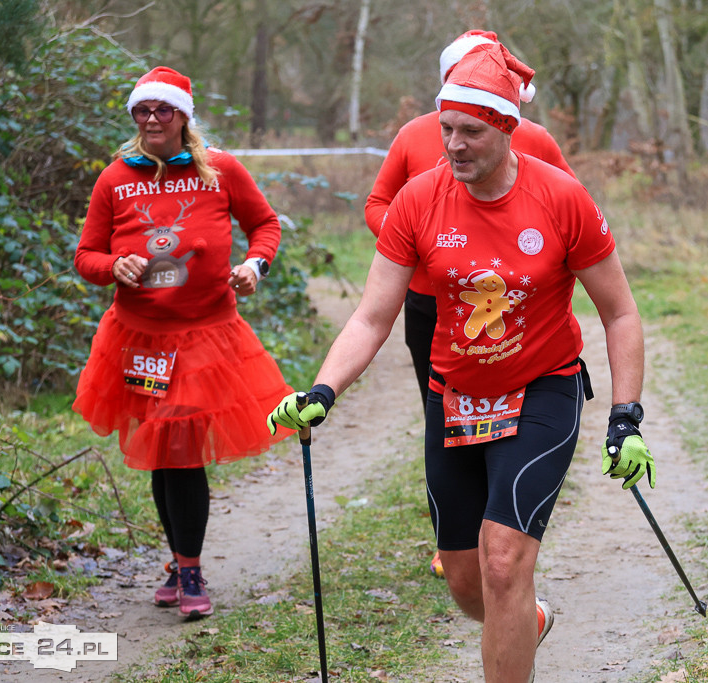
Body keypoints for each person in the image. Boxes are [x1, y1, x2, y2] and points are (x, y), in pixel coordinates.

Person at [271, 43, 653, 682]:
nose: (454, 144)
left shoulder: (561, 198)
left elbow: (620, 313)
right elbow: (371, 316)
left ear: (508, 128)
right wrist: (323, 388)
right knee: (466, 578)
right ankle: (525, 624)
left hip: (541, 389)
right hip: (453, 398)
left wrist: (626, 415)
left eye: (471, 131)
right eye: (446, 128)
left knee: (504, 563)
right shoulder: (418, 201)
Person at [72, 66, 296, 620]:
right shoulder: (114, 178)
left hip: (205, 336)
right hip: (138, 338)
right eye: (142, 111)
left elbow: (265, 224)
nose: (152, 120)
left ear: (183, 116)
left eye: (162, 110)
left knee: (182, 449)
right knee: (160, 452)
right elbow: (85, 257)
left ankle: (189, 569)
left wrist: (254, 265)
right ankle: (179, 560)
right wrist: (112, 265)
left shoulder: (219, 170)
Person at [364, 29, 576, 579]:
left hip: (514, 309)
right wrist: (413, 246)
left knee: (503, 547)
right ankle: (461, 534)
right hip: (429, 298)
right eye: (449, 120)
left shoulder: (537, 144)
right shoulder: (416, 136)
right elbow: (379, 204)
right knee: (446, 411)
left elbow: (574, 227)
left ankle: (499, 534)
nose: (455, 141)